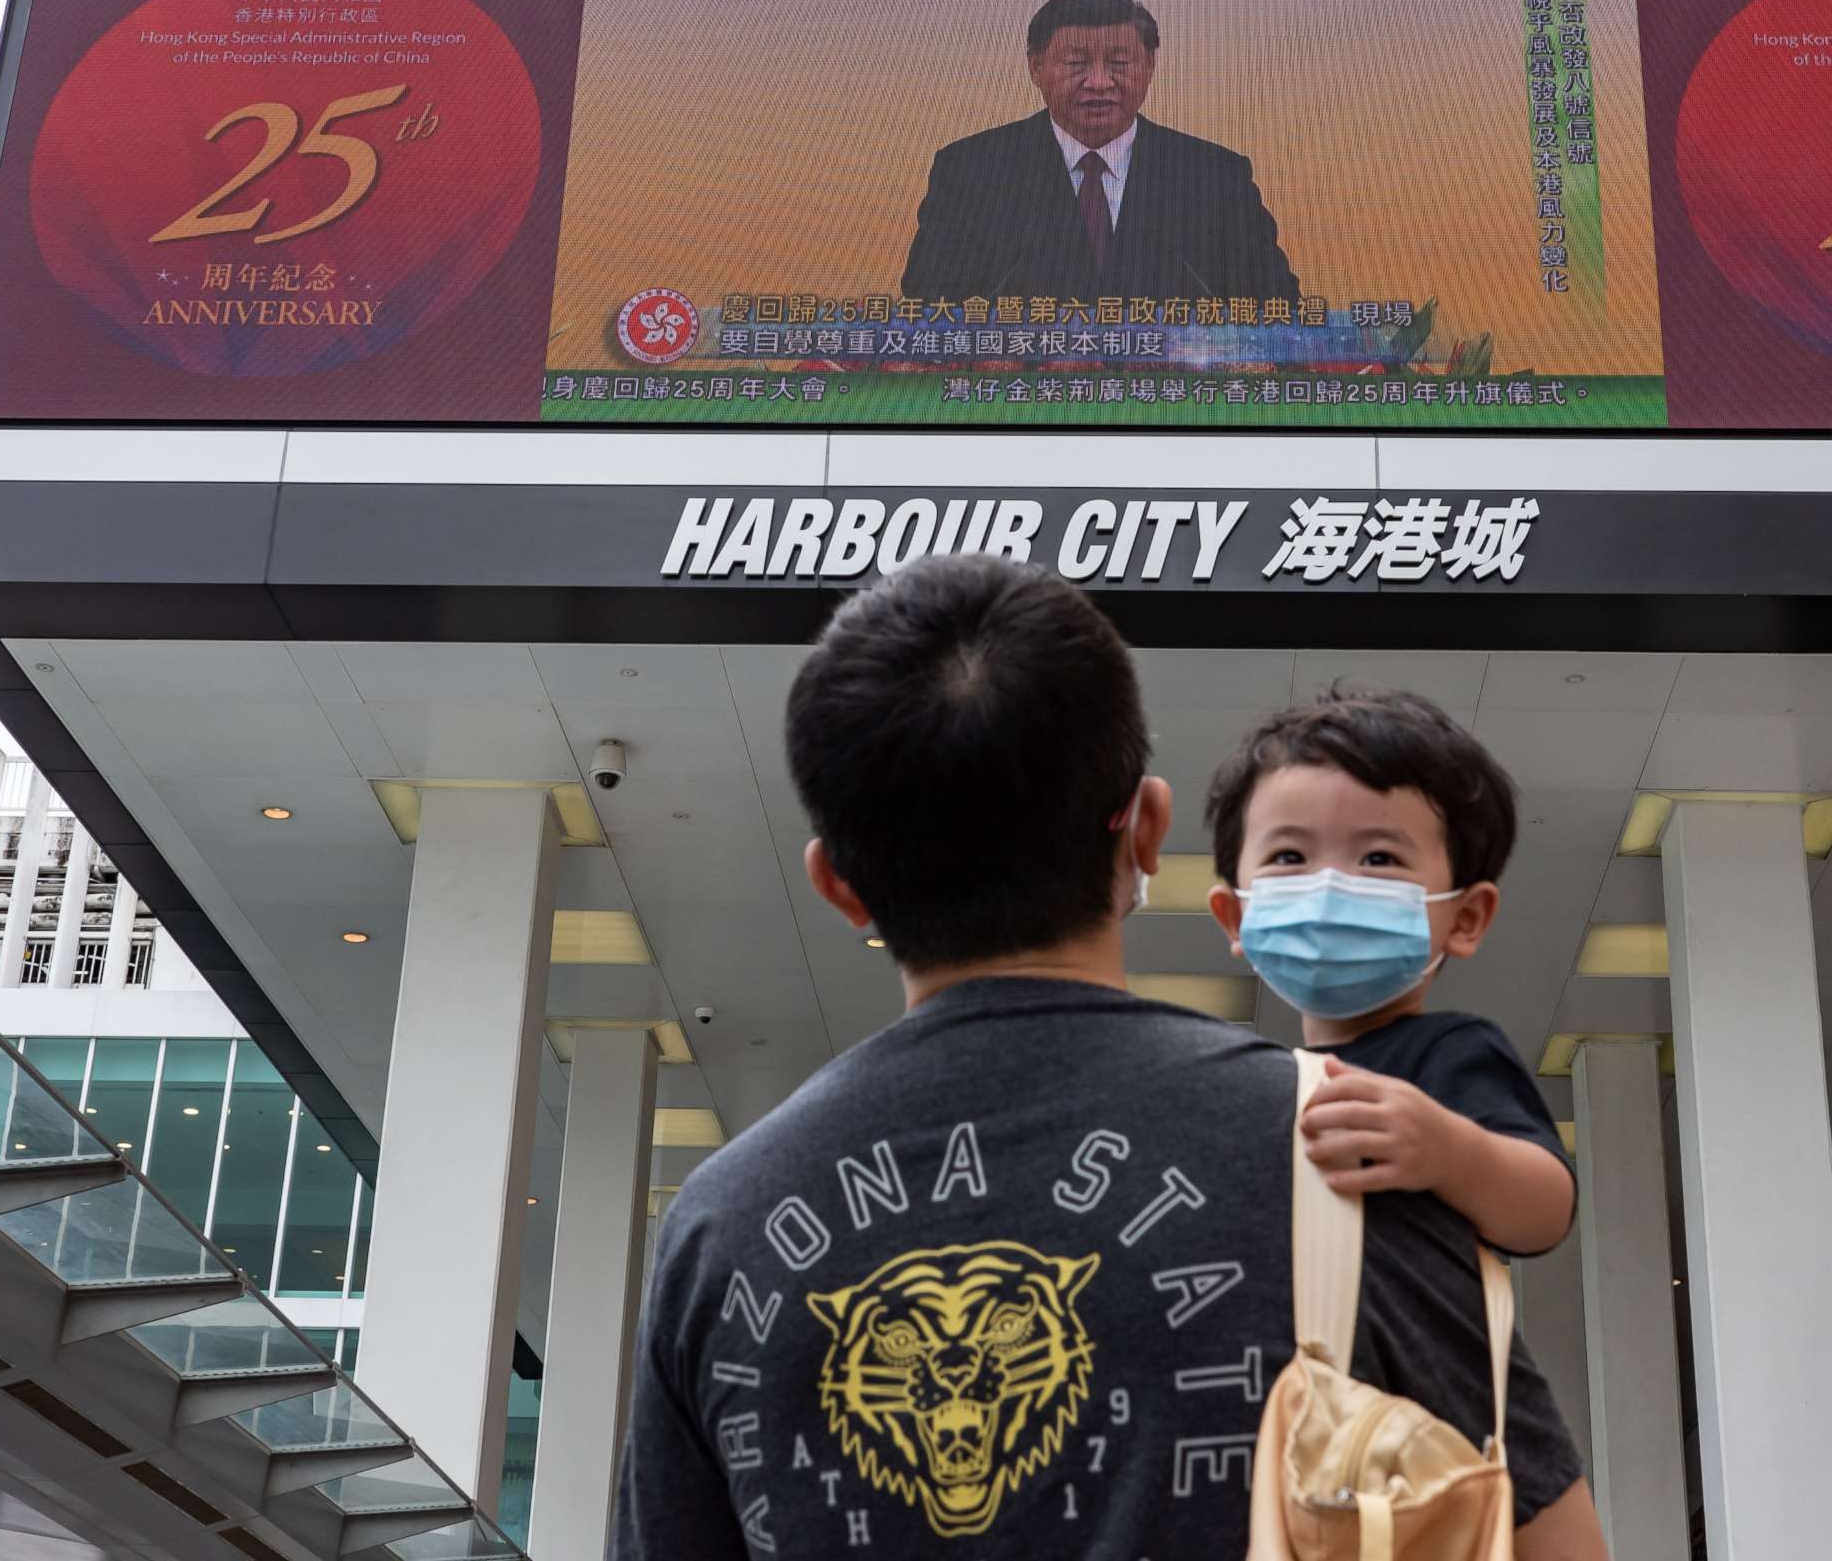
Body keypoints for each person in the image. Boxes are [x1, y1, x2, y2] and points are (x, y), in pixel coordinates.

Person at [614, 556, 1600, 1560]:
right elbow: (1556, 1544)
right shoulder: (1339, 1152)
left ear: (840, 885)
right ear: (1148, 831)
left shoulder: (717, 1223)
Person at [1203, 688, 1580, 1259]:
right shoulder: (1265, 1083)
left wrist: (1451, 1152)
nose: (1329, 887)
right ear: (1235, 915)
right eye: (1288, 857)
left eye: (1378, 858)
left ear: (1466, 917)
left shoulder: (1450, 1051)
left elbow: (1546, 1212)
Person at [899, 0, 1301, 307]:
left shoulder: (1213, 175)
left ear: (1149, 66)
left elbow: (1276, 304)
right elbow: (927, 303)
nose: (1098, 82)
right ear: (1035, 67)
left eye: (1119, 63)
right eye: (1076, 63)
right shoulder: (971, 170)